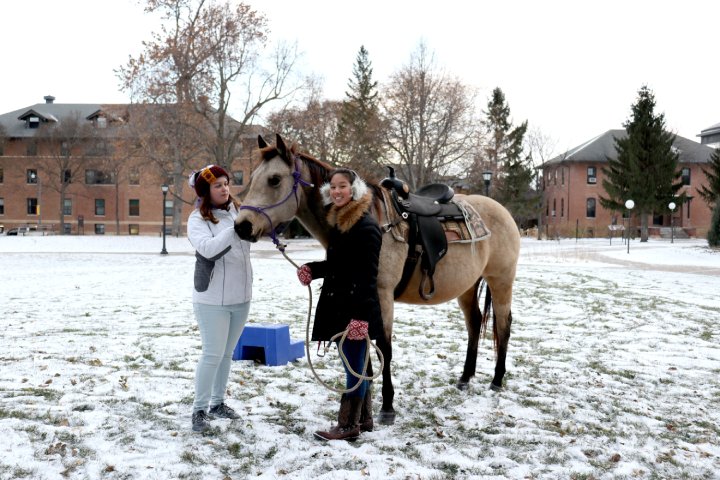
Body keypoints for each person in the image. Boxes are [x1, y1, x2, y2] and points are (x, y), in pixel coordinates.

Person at [296, 168, 383, 441]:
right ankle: (364, 418)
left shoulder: (366, 228)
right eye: (332, 187)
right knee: (356, 365)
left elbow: (368, 277)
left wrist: (360, 319)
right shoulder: (339, 223)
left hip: (355, 309)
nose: (336, 191)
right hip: (340, 304)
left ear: (354, 189)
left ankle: (347, 425)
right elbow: (339, 266)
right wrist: (313, 269)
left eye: (342, 186)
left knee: (353, 368)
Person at [187, 165, 253, 433]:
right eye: (218, 185)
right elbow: (208, 249)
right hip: (212, 299)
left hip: (241, 296)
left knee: (227, 355)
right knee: (212, 354)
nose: (225, 188)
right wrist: (236, 228)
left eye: (226, 183)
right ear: (206, 191)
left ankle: (218, 403)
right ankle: (199, 410)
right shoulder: (197, 220)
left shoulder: (238, 211)